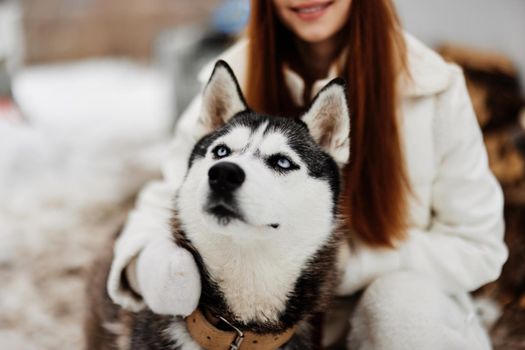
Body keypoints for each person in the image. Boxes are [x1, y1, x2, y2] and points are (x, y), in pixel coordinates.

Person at [106, 0, 508, 348]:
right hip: (254, 327)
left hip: (394, 325)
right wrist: (149, 263)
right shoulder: (233, 72)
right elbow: (171, 190)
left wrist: (350, 265)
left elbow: (479, 246)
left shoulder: (432, 87)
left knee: (400, 306)